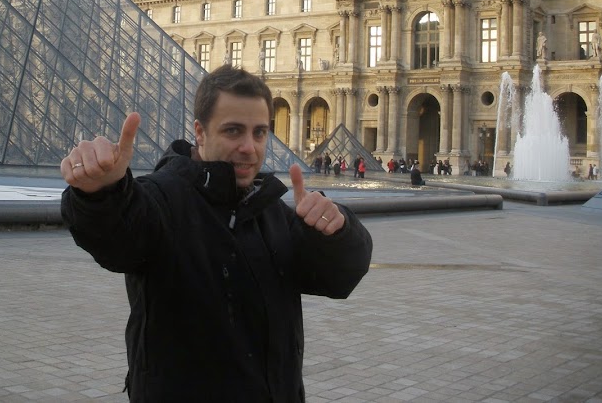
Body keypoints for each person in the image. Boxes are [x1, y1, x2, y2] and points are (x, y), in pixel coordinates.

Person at [60, 66, 373, 402]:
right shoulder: (160, 201)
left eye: (260, 133)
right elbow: (116, 235)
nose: (249, 147)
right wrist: (100, 194)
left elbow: (338, 279)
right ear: (200, 132)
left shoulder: (273, 211)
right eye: (233, 131)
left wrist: (338, 230)